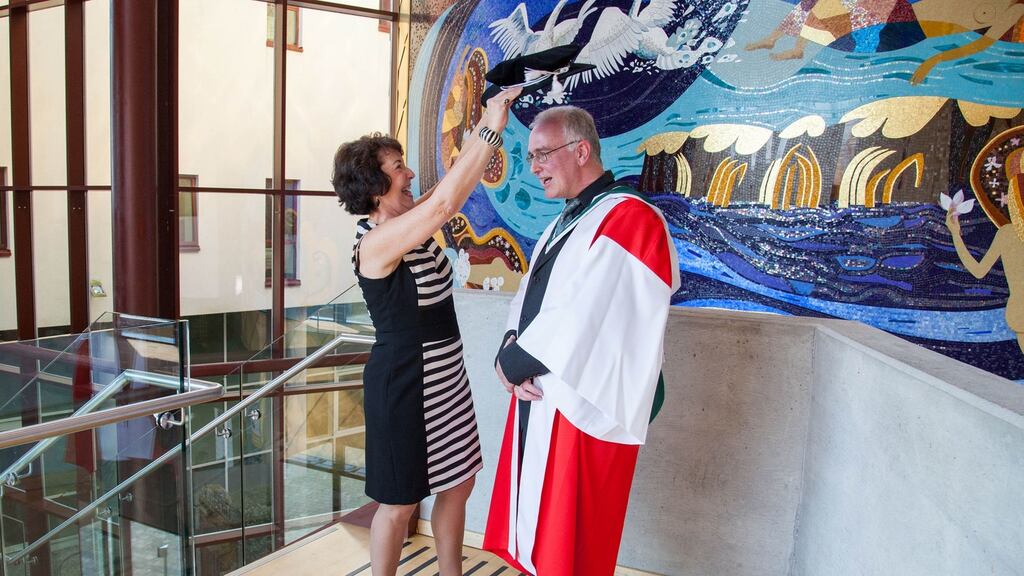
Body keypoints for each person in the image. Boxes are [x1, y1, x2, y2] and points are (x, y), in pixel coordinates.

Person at [331, 85, 522, 576]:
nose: (409, 172)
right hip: (404, 383)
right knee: (397, 504)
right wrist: (489, 124)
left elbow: (443, 200)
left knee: (458, 483)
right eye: (398, 168)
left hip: (444, 381)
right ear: (375, 188)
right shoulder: (374, 243)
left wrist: (491, 126)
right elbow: (444, 205)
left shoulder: (411, 226)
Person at [483, 105, 680, 576]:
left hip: (583, 403)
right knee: (538, 541)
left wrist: (514, 364)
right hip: (542, 394)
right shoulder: (560, 223)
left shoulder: (629, 217)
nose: (534, 168)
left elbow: (587, 312)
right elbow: (529, 301)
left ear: (582, 149)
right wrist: (506, 354)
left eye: (543, 154)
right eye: (530, 157)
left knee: (572, 547)